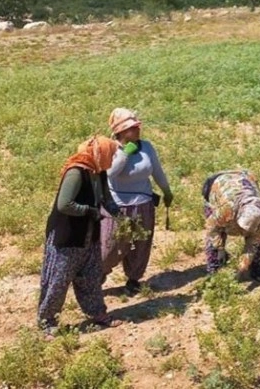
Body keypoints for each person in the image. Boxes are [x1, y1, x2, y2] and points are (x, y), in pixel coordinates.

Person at [39, 135, 123, 337]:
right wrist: (89, 211)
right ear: (100, 153)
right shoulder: (76, 172)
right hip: (67, 237)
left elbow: (106, 199)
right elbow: (64, 204)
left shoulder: (99, 172)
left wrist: (120, 215)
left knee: (91, 277)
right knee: (59, 280)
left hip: (88, 235)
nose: (112, 160)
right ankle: (47, 321)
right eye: (110, 155)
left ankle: (97, 314)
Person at [100, 108, 173, 296]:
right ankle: (96, 278)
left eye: (137, 127)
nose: (137, 130)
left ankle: (133, 279)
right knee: (111, 246)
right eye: (131, 128)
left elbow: (157, 171)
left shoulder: (147, 147)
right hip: (117, 206)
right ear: (121, 132)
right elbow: (110, 173)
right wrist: (125, 153)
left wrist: (166, 191)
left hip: (143, 203)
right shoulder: (111, 147)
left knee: (141, 243)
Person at [202, 169, 260, 282]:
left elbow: (252, 245)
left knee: (258, 244)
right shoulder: (227, 209)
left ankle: (255, 269)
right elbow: (212, 228)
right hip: (218, 184)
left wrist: (242, 267)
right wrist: (220, 248)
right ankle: (214, 271)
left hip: (245, 178)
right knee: (217, 237)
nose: (243, 231)